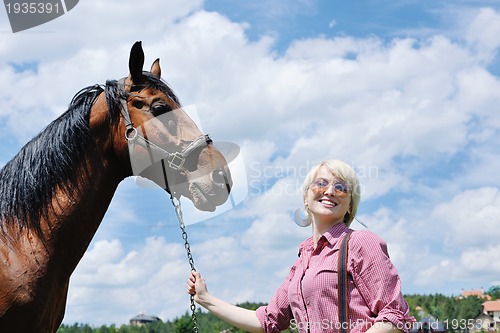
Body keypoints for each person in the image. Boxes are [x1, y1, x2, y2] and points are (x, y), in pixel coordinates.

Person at [187, 159, 414, 333]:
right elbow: (268, 320)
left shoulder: (361, 242)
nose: (330, 190)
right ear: (306, 198)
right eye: (321, 183)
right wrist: (205, 298)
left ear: (349, 205)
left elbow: (395, 316)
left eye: (341, 187)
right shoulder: (303, 261)